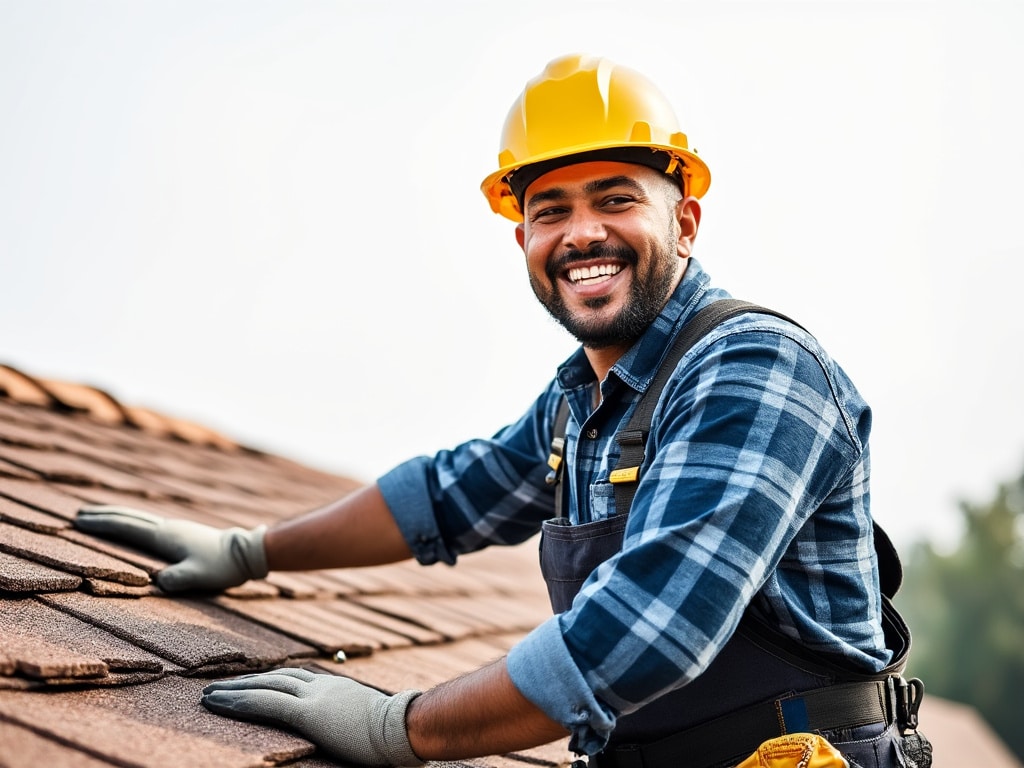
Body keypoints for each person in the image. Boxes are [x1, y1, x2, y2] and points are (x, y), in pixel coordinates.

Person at [75, 54, 927, 768]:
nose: (581, 233)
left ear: (686, 221)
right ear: (522, 240)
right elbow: (447, 495)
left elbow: (645, 632)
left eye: (616, 198)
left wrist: (395, 727)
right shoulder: (582, 401)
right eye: (549, 211)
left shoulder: (753, 369)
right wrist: (249, 550)